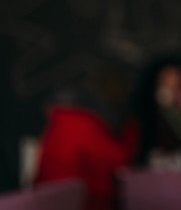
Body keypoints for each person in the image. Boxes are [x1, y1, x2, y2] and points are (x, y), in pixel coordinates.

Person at [35, 57, 139, 210]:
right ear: (109, 86)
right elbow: (121, 166)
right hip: (75, 203)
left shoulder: (67, 117)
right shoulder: (85, 123)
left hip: (49, 202)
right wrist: (134, 127)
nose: (124, 93)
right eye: (122, 86)